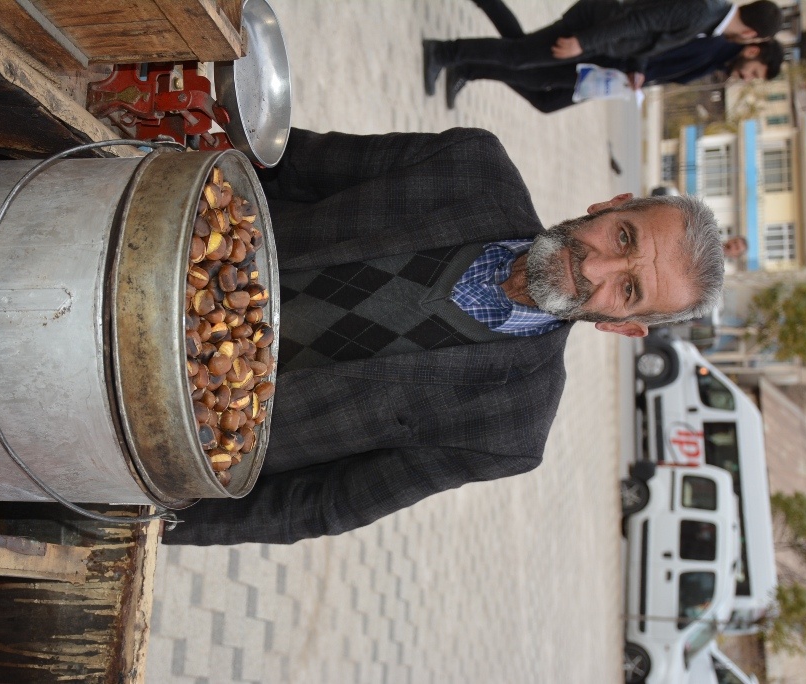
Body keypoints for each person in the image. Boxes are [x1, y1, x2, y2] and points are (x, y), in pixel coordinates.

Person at [163, 127, 724, 546]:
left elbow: (320, 505)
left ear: (622, 326)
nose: (595, 267)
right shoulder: (471, 168)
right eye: (623, 238)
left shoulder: (511, 426)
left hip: (166, 428)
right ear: (611, 205)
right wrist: (157, 163)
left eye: (628, 289)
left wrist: (155, 517)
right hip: (159, 253)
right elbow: (287, 161)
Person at [423, 0, 783, 97]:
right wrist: (584, 42)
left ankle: (451, 56)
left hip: (600, 32)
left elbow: (650, 31)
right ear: (752, 36)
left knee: (521, 54)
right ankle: (442, 52)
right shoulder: (703, 11)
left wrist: (637, 64)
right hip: (595, 26)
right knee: (519, 55)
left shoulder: (710, 17)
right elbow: (638, 20)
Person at [444, 38, 783, 112]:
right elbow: (659, 44)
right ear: (753, 51)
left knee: (545, 98)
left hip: (613, 79)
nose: (748, 79)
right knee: (533, 70)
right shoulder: (714, 47)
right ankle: (467, 66)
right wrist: (640, 69)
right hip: (610, 64)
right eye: (754, 73)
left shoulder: (718, 60)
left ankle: (470, 67)